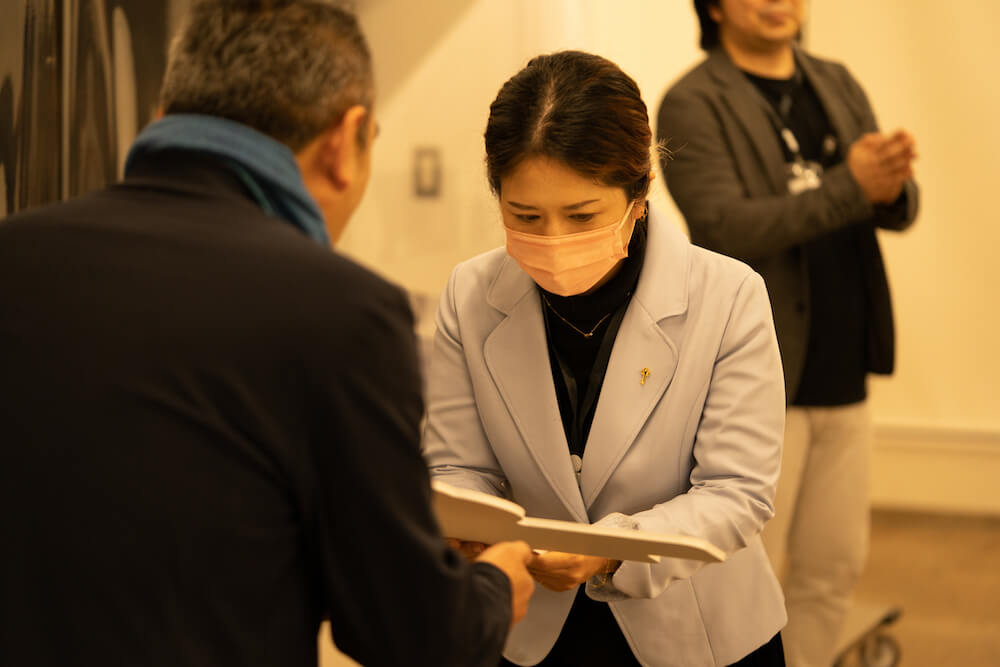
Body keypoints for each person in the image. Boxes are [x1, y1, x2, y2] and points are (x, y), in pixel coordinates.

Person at [0, 2, 535, 666]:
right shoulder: (342, 311)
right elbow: (409, 630)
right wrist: (493, 585)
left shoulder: (14, 257)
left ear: (165, 117)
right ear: (347, 141)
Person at [422, 50, 788, 667]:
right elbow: (458, 465)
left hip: (697, 630)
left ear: (639, 191)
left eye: (583, 215)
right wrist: (462, 527)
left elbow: (737, 491)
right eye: (525, 216)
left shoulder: (728, 295)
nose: (554, 241)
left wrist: (614, 549)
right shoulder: (470, 294)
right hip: (529, 625)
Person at [656, 2, 920, 666]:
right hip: (762, 370)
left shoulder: (834, 78)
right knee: (753, 570)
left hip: (845, 362)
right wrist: (851, 186)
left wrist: (891, 185)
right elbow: (725, 228)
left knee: (834, 565)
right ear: (714, 6)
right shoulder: (692, 100)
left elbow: (890, 201)